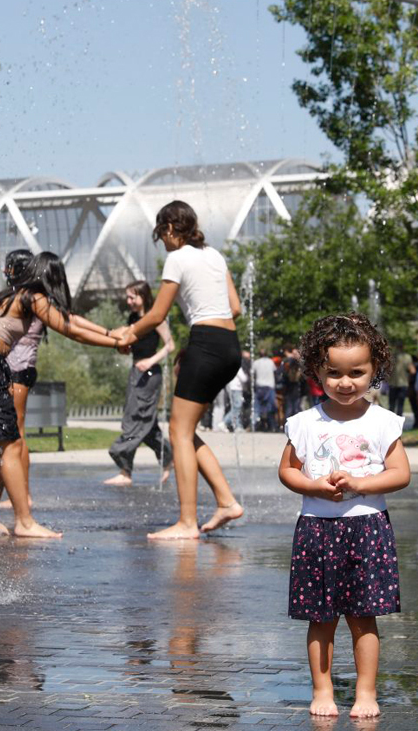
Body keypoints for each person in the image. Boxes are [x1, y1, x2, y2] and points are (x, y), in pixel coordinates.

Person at [279, 313, 410, 719]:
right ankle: (322, 689)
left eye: (357, 372)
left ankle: (366, 692)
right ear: (318, 370)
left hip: (367, 527)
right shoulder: (303, 423)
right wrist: (315, 486)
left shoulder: (383, 421)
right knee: (320, 617)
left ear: (375, 370)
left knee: (362, 616)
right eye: (334, 373)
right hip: (317, 529)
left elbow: (400, 473)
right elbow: (286, 470)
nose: (345, 382)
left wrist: (358, 483)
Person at [0, 251, 121, 538]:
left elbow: (71, 321)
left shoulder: (10, 295)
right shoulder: (32, 296)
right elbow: (71, 329)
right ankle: (25, 522)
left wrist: (113, 335)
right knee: (11, 446)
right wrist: (115, 342)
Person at [114, 200, 245, 540]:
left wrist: (128, 333)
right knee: (184, 432)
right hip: (229, 346)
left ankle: (187, 523)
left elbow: (157, 315)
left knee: (178, 432)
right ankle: (227, 502)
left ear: (170, 228)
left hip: (206, 344)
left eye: (162, 235)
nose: (164, 242)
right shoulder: (215, 255)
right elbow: (235, 308)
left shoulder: (178, 257)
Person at [105, 280, 174, 487]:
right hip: (135, 372)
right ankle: (168, 458)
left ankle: (124, 467)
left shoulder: (156, 317)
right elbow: (131, 342)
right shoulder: (133, 318)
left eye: (132, 297)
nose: (129, 301)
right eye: (127, 297)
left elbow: (170, 345)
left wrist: (151, 361)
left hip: (150, 374)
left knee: (137, 418)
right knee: (146, 423)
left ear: (143, 297)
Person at [252, 350, 277, 431]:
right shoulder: (271, 362)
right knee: (270, 407)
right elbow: (275, 372)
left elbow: (252, 374)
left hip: (260, 386)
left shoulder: (256, 362)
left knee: (258, 407)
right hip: (269, 386)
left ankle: (255, 425)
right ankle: (271, 426)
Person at [386, 343, 411, 418]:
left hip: (392, 383)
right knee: (400, 405)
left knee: (392, 405)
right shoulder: (407, 357)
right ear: (403, 347)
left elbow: (386, 369)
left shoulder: (391, 357)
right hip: (403, 383)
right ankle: (398, 423)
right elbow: (412, 370)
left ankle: (390, 422)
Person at [281, 345, 304, 422]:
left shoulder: (291, 362)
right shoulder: (290, 362)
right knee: (293, 408)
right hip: (293, 389)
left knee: (293, 408)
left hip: (296, 389)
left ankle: (289, 424)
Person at [222, 366, 247, 432]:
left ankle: (237, 426)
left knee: (235, 407)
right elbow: (244, 378)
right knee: (237, 407)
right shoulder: (238, 367)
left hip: (232, 388)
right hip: (236, 388)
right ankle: (225, 422)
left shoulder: (230, 366)